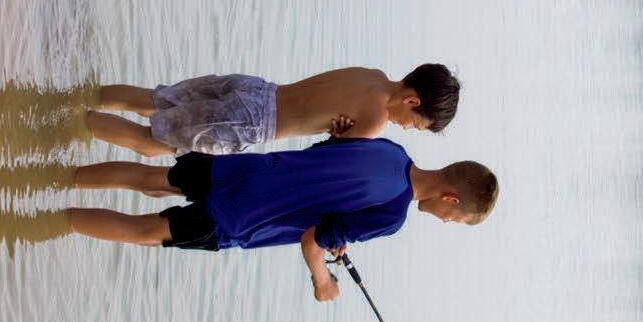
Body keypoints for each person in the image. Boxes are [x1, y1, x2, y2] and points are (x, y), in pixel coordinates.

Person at [64, 135, 499, 298]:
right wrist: (323, 282)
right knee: (145, 230)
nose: (446, 221)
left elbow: (325, 157)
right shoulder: (392, 216)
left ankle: (56, 178)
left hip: (247, 172)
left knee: (151, 178)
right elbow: (312, 239)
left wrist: (333, 232)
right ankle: (54, 219)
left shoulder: (391, 150)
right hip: (242, 217)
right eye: (454, 218)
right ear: (451, 198)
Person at [82, 63, 460, 158]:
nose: (406, 127)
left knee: (154, 99)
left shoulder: (372, 74)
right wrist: (338, 137)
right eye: (415, 124)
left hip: (257, 88)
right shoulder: (376, 120)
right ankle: (73, 121)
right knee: (153, 142)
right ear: (413, 101)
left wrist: (337, 131)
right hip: (253, 121)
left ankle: (74, 98)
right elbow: (327, 160)